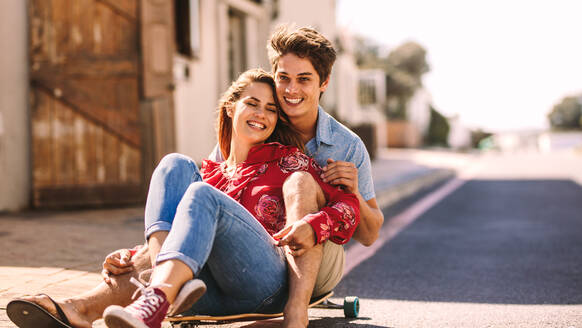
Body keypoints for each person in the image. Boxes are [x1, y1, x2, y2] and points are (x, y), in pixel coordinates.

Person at [7, 69, 359, 328]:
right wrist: (131, 256)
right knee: (174, 164)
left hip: (266, 284)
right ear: (230, 109)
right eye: (253, 104)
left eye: (270, 109)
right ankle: (83, 309)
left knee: (200, 194)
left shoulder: (288, 160)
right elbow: (185, 240)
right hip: (205, 291)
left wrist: (314, 225)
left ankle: (155, 296)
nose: (262, 115)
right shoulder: (210, 174)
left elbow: (348, 207)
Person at [208, 24, 385, 325]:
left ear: (324, 83)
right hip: (257, 255)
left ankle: (296, 309)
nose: (291, 90)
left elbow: (369, 235)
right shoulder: (256, 122)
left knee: (301, 183)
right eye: (284, 78)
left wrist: (352, 190)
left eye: (304, 80)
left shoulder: (346, 145)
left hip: (319, 259)